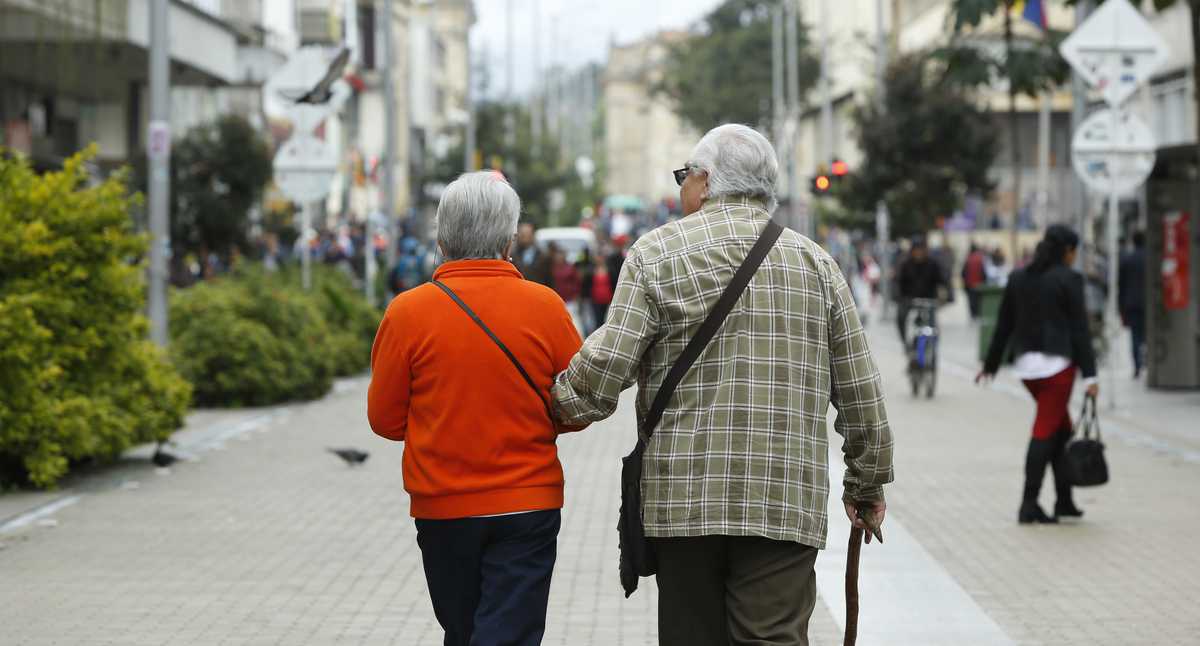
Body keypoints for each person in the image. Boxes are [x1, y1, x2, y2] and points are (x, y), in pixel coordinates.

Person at [551, 124, 894, 646]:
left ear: (706, 181)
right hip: (783, 498)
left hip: (683, 498)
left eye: (683, 176)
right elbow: (860, 391)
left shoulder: (655, 254)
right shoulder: (816, 264)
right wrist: (865, 483)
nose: (680, 187)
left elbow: (606, 368)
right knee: (772, 637)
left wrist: (555, 403)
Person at [367, 172, 584, 646]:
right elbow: (577, 408)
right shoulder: (545, 307)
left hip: (443, 505)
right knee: (507, 633)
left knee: (463, 632)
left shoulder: (407, 313)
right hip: (528, 501)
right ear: (509, 239)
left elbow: (384, 419)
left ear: (441, 239)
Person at [977, 225, 1097, 525]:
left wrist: (990, 365)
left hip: (1027, 370)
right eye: (1074, 252)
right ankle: (1028, 505)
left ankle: (1064, 499)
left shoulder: (1019, 277)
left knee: (1061, 430)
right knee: (1044, 432)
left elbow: (1003, 325)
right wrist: (1091, 377)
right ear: (1068, 251)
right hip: (1058, 369)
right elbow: (1080, 330)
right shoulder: (1070, 279)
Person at [895, 237, 948, 345]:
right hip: (910, 300)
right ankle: (906, 343)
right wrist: (901, 298)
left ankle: (933, 348)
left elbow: (942, 280)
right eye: (916, 250)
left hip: (929, 300)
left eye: (921, 249)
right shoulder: (906, 265)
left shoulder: (933, 264)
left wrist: (943, 295)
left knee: (933, 326)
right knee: (901, 317)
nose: (918, 253)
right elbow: (900, 283)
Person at [1119, 231, 1148, 378]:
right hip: (1148, 303)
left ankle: (1137, 366)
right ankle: (1148, 362)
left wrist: (1121, 308)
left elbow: (1121, 285)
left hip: (1131, 303)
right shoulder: (1150, 259)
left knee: (1135, 336)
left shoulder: (1127, 260)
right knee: (1147, 334)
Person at [512, 221, 553, 287]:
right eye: (521, 234)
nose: (523, 237)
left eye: (526, 234)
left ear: (533, 235)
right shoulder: (512, 255)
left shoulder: (544, 256)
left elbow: (549, 280)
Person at [962, 244, 987, 320]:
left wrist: (965, 281)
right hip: (979, 284)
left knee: (971, 300)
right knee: (978, 300)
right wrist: (984, 282)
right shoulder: (980, 259)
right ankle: (978, 313)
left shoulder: (968, 259)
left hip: (969, 284)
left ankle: (973, 315)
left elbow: (963, 273)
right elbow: (983, 273)